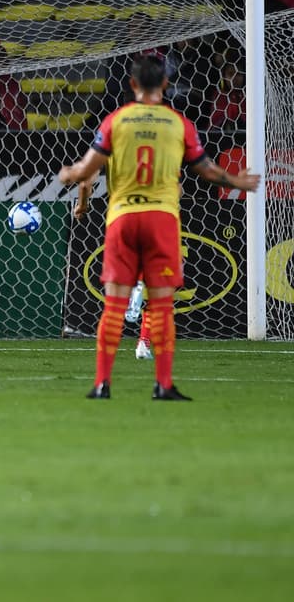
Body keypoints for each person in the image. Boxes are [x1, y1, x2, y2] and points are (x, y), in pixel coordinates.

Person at [58, 53, 261, 400]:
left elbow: (86, 170)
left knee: (114, 305)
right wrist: (237, 182)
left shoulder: (116, 121)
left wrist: (69, 174)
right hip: (161, 219)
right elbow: (207, 170)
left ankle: (102, 384)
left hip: (123, 217)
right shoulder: (178, 123)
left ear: (132, 84)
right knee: (162, 305)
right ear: (165, 84)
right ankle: (163, 385)